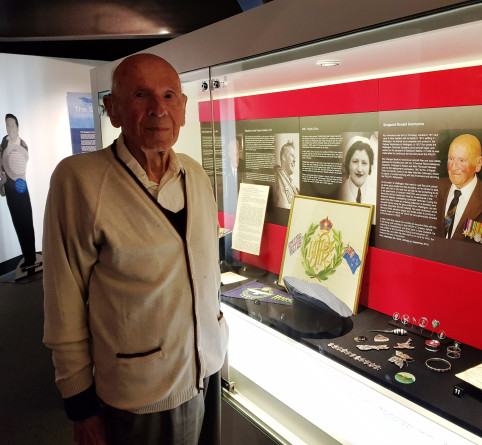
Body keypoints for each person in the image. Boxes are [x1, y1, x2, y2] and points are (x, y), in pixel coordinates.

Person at [43, 54, 229, 445]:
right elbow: (63, 300)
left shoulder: (195, 174)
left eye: (168, 95)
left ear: (183, 108)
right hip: (141, 395)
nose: (158, 109)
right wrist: (80, 404)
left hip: (207, 373)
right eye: (141, 95)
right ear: (113, 109)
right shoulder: (80, 180)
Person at [436, 133, 482, 241]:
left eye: (462, 160)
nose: (454, 167)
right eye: (451, 159)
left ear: (478, 164)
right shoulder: (433, 188)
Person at [0, 113, 38, 270]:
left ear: (18, 126)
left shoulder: (22, 145)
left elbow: (19, 169)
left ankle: (32, 257)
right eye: (7, 125)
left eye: (12, 125)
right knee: (17, 223)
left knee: (26, 223)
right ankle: (27, 257)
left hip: (20, 188)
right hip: (9, 190)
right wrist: (2, 184)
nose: (9, 128)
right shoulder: (3, 143)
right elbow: (1, 166)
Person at [340, 139, 376, 205]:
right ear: (348, 164)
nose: (359, 169)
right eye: (355, 162)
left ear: (370, 166)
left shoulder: (375, 196)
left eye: (364, 163)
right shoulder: (339, 193)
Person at [273, 140, 299, 208]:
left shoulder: (292, 185)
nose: (294, 160)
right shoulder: (276, 178)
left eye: (294, 157)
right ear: (284, 157)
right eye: (292, 156)